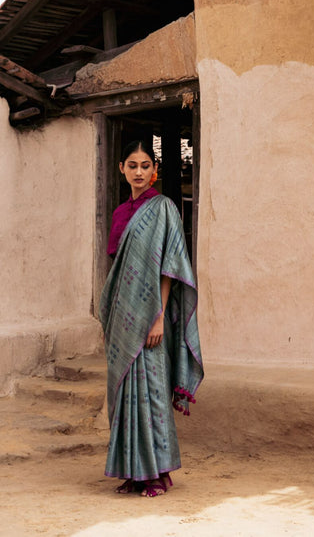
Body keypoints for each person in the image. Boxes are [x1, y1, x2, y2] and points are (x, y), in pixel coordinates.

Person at [99, 139, 204, 497]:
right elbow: (118, 267)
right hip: (121, 316)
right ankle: (133, 471)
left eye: (145, 165)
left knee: (152, 391)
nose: (139, 172)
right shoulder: (119, 214)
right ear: (122, 169)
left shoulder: (163, 209)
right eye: (133, 165)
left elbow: (168, 270)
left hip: (150, 317)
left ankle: (156, 474)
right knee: (125, 393)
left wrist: (158, 317)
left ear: (154, 170)